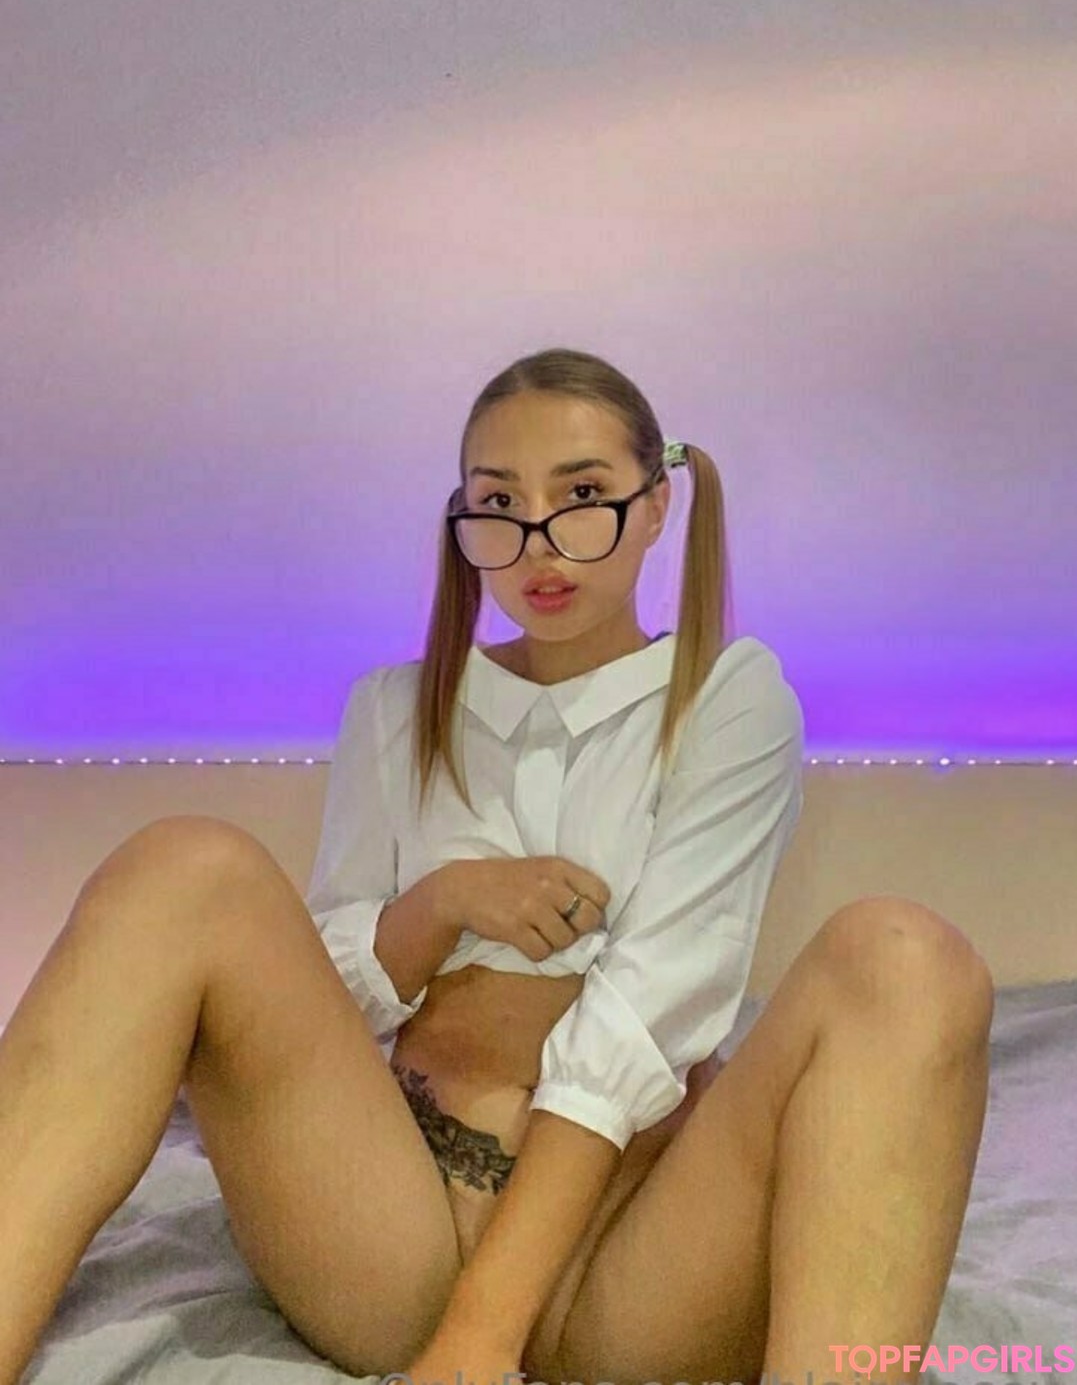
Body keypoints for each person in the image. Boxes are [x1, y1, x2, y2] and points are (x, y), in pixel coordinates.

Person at [0, 347, 992, 1385]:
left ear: (656, 505)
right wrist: (442, 904)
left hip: (631, 1252)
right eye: (500, 504)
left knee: (907, 956)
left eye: (584, 496)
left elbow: (653, 1007)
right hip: (390, 1221)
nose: (540, 545)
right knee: (185, 865)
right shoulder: (394, 710)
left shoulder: (728, 701)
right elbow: (317, 999)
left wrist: (480, 1337)